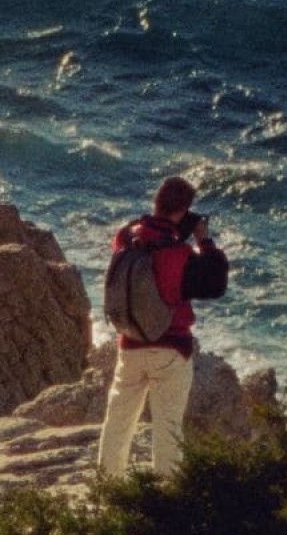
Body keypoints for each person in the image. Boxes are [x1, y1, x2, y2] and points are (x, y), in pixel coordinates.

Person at [97, 175, 229, 477]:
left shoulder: (125, 238)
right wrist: (202, 239)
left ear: (156, 202)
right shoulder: (180, 254)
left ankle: (107, 486)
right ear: (183, 210)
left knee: (117, 421)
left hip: (130, 345)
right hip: (171, 349)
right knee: (168, 427)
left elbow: (142, 235)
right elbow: (215, 282)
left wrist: (171, 226)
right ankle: (168, 495)